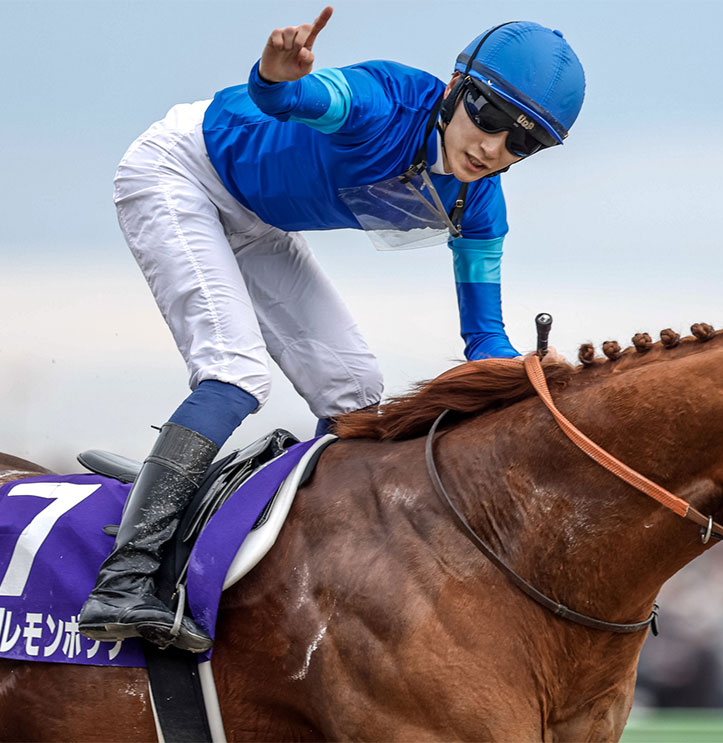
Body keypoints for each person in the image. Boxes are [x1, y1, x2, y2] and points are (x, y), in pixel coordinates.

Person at [77, 6, 586, 653]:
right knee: (237, 371)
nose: (493, 147)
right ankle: (124, 577)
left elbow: (485, 343)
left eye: (523, 142)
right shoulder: (383, 101)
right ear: (457, 86)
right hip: (180, 173)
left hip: (254, 221)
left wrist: (544, 386)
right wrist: (276, 73)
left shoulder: (481, 205)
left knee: (354, 390)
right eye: (488, 116)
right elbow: (287, 97)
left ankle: (297, 558)